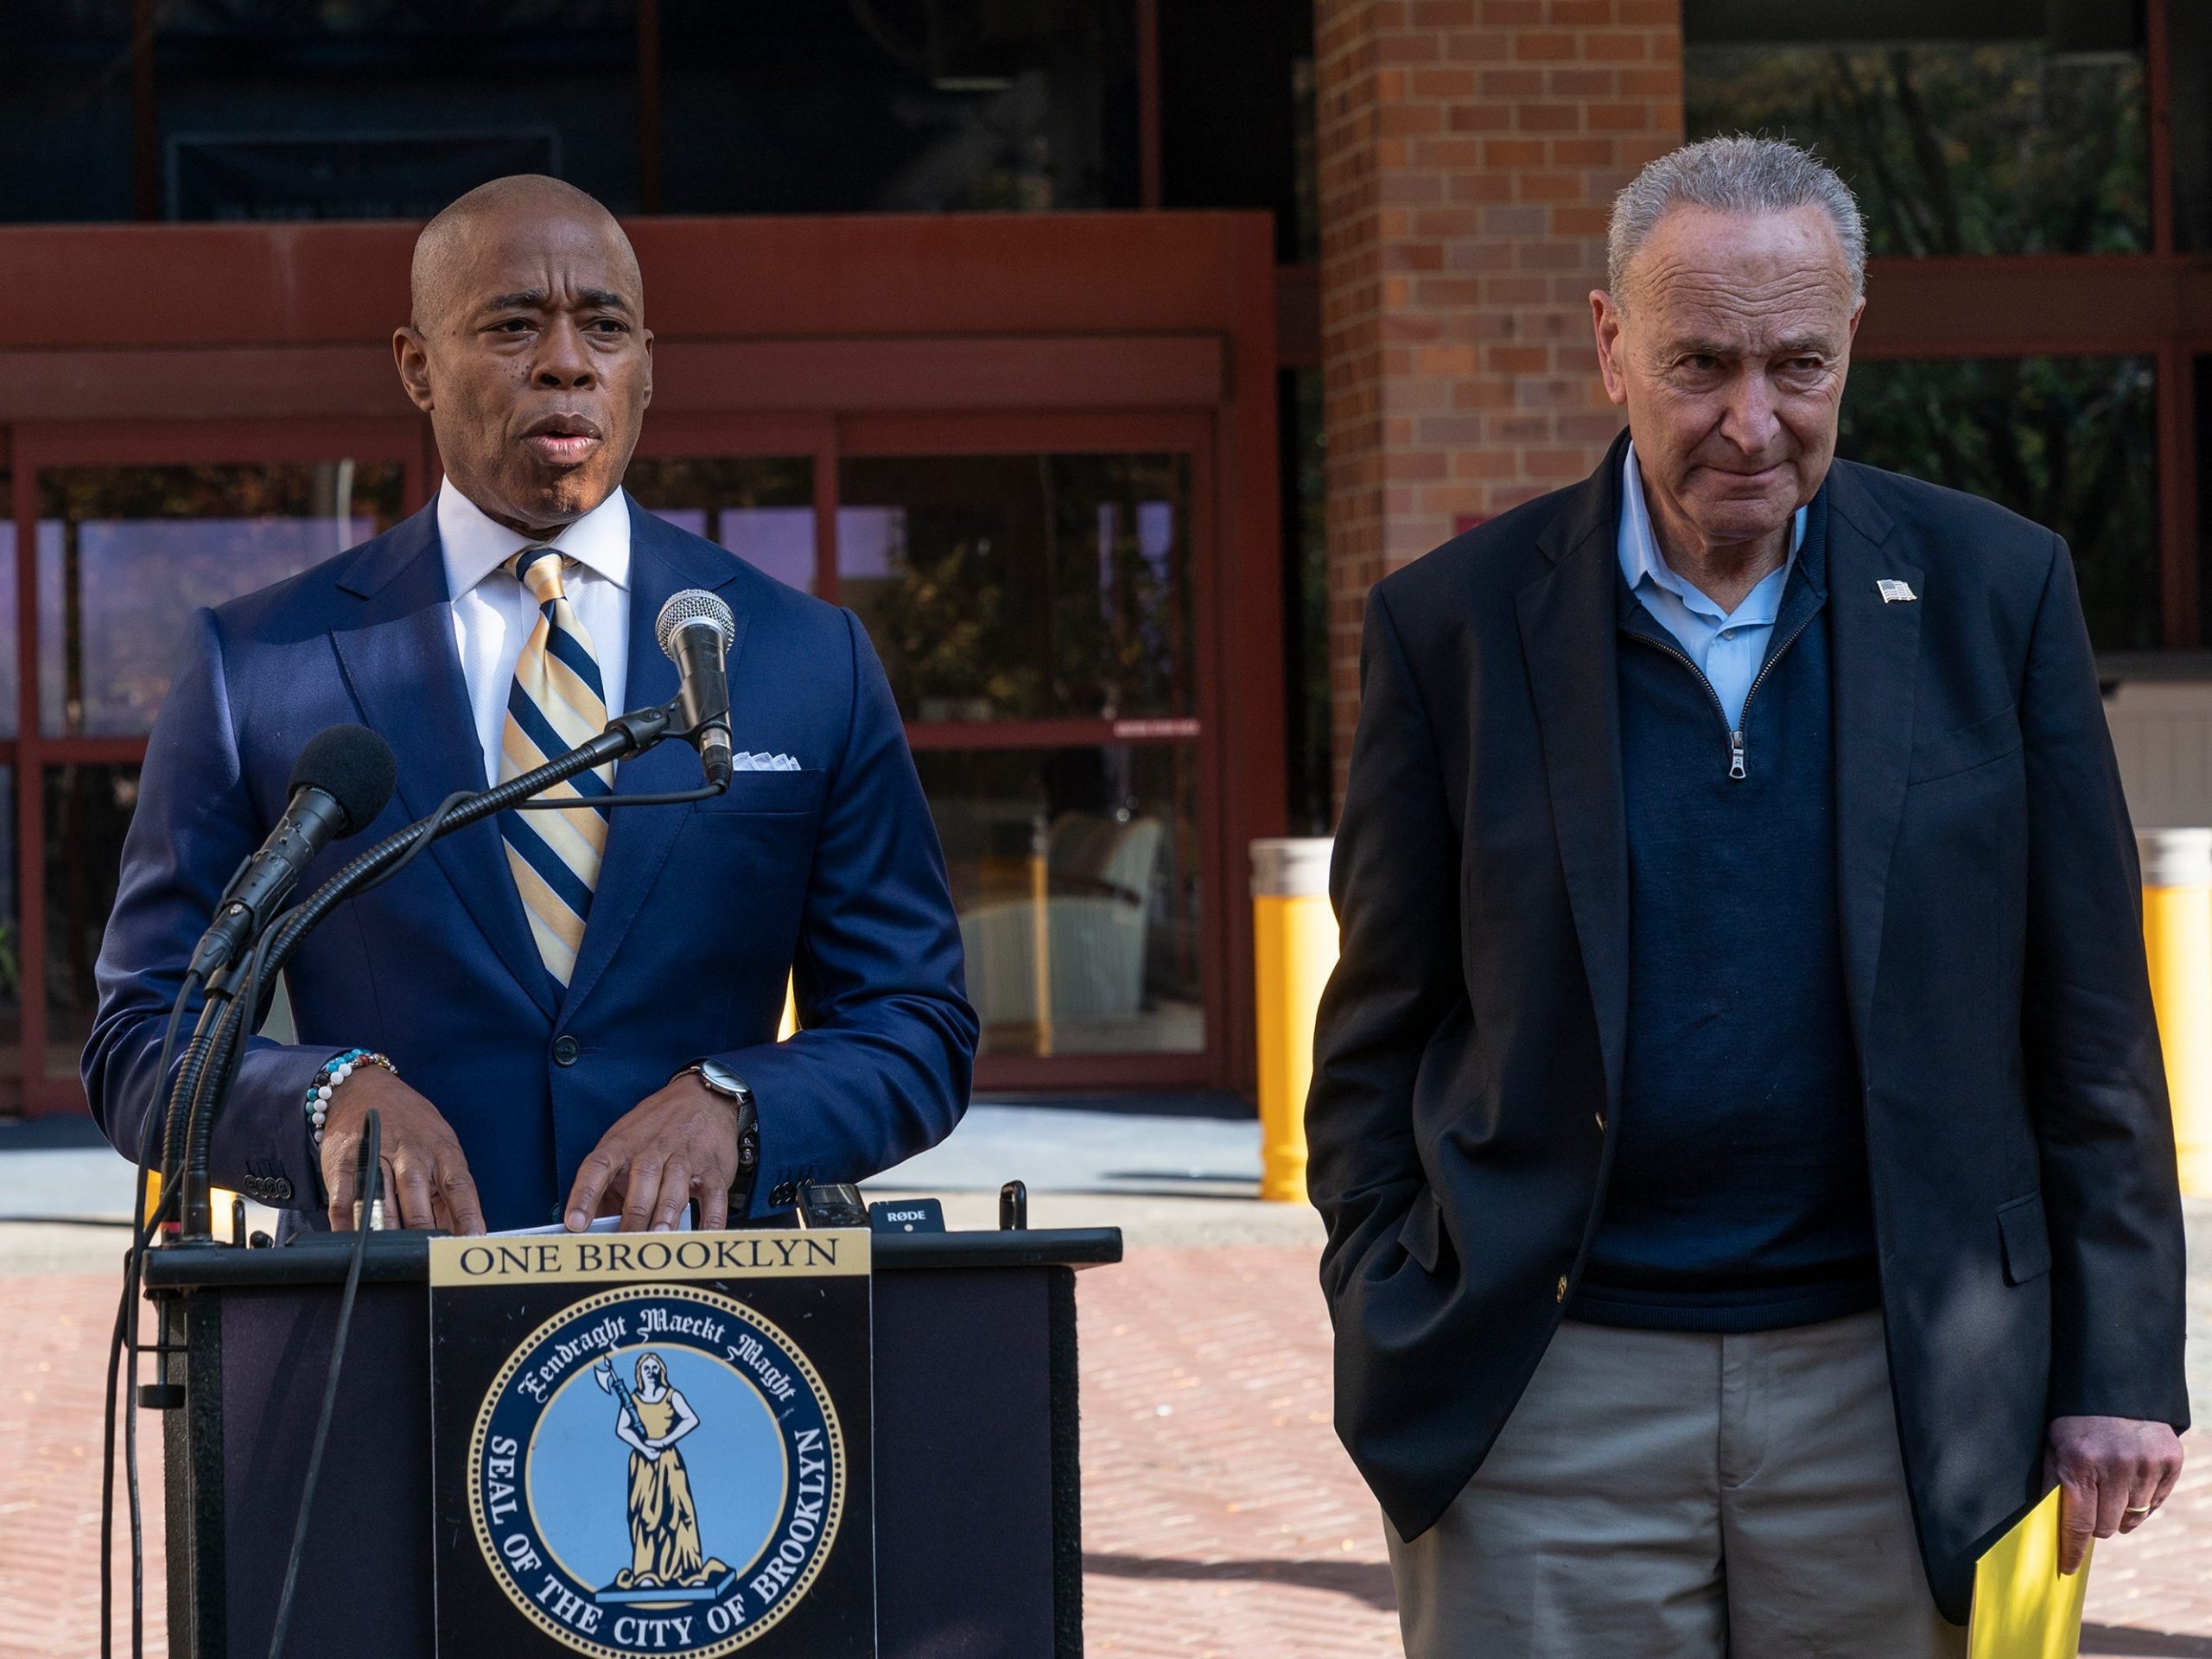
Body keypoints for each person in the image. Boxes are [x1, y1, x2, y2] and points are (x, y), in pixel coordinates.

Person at [1307, 136, 2190, 1657]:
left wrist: (2121, 1361)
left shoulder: (2000, 591)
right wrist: (1390, 1286)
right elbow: (1378, 1030)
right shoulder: (1451, 627)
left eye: (1797, 364)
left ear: (1852, 340)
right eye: (1701, 361)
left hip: (1905, 1391)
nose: (1752, 420)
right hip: (1544, 1392)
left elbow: (2091, 1018)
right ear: (1609, 346)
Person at [86, 175, 976, 1236]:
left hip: (709, 1334)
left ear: (645, 367)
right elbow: (145, 1034)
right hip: (373, 1341)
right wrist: (321, 1101)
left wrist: (744, 1108)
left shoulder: (806, 658)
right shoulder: (259, 665)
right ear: (415, 367)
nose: (567, 361)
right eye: (514, 325)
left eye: (604, 327)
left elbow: (914, 1023)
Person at [611, 1352, 724, 1592]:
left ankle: (689, 1570)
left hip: (669, 1461)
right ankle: (645, 1572)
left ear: (662, 1370)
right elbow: (622, 1429)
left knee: (679, 1512)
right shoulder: (632, 1399)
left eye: (654, 1367)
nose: (650, 1371)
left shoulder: (672, 1396)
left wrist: (665, 1441)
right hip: (643, 1464)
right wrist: (643, 1447)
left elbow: (691, 1419)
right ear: (639, 1373)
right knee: (643, 1515)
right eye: (646, 1368)